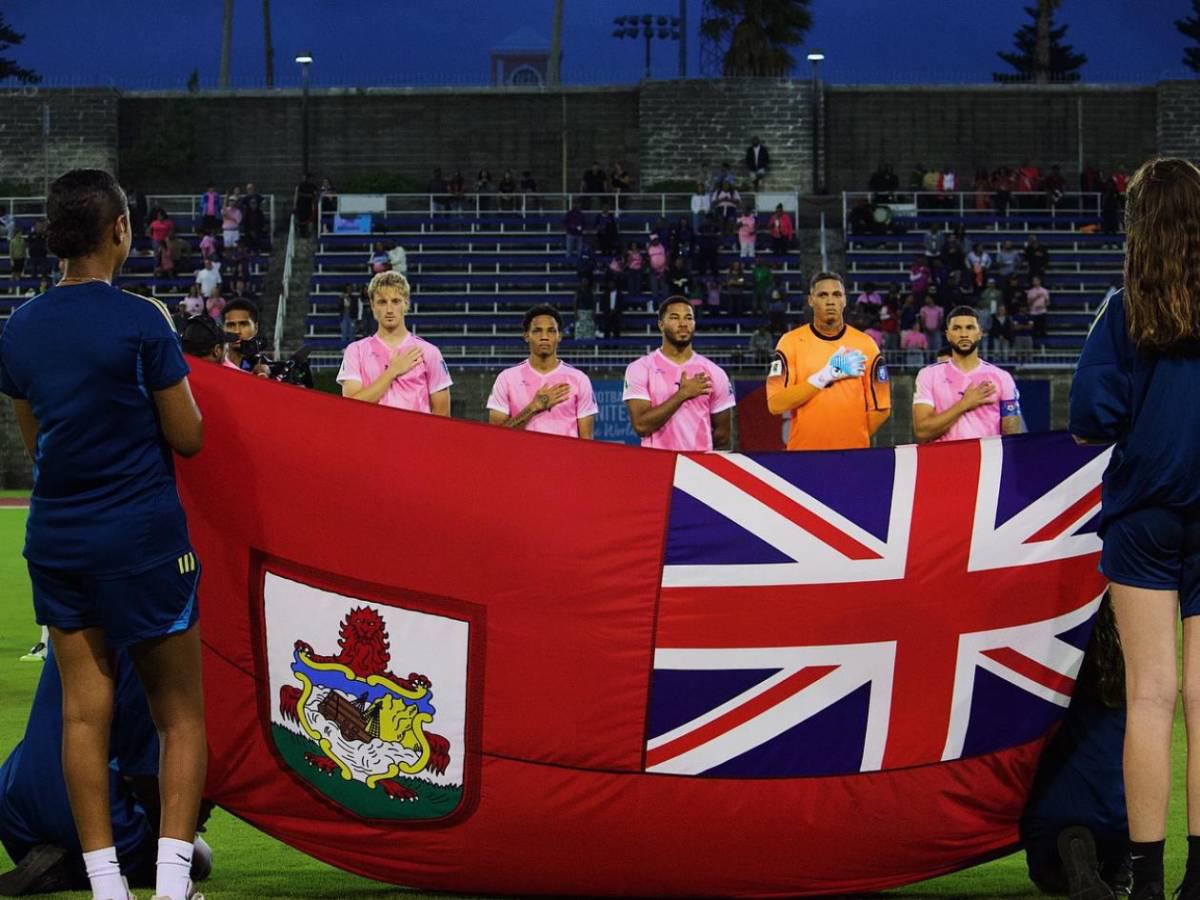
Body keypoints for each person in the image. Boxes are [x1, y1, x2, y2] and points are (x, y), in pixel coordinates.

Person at [0, 169, 207, 900]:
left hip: (58, 541)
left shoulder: (18, 327)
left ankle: (107, 886)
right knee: (178, 716)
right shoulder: (142, 319)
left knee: (81, 717)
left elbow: (38, 442)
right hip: (143, 541)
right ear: (120, 229)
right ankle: (176, 884)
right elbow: (188, 437)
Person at [1069, 157, 1200, 900]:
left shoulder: (1123, 312)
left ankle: (1147, 882)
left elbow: (1091, 424)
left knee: (1150, 696)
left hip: (1144, 513)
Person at [0, 645, 213, 896]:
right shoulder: (154, 637)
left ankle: (81, 866)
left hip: (13, 811)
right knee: (199, 857)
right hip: (101, 823)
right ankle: (99, 872)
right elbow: (144, 775)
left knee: (72, 725)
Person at [1020, 594, 1131, 900]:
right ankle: (1115, 859)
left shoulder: (1031, 682)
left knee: (1048, 875)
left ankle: (1071, 840)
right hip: (1115, 818)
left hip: (1046, 825)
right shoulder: (1121, 678)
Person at [766, 271, 891, 451]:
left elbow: (882, 407)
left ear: (845, 300)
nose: (830, 301)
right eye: (823, 295)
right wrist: (823, 377)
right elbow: (776, 404)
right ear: (811, 300)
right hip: (803, 455)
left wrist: (850, 438)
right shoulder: (790, 342)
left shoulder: (866, 345)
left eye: (837, 294)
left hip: (853, 453)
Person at [622, 296, 736, 452]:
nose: (683, 324)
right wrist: (682, 395)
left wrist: (695, 452)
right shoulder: (640, 368)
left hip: (699, 469)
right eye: (675, 318)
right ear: (661, 325)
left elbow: (723, 435)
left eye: (688, 318)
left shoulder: (715, 372)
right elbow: (641, 426)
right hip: (656, 467)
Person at [337, 270, 452, 414]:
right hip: (370, 436)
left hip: (415, 436)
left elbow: (443, 416)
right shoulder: (355, 351)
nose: (389, 309)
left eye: (395, 301)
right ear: (373, 306)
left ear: (406, 304)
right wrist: (392, 371)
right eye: (382, 302)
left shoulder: (429, 352)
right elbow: (350, 407)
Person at [911, 306, 1022, 443]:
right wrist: (965, 404)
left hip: (986, 463)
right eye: (957, 328)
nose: (964, 334)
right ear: (948, 335)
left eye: (970, 328)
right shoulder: (928, 375)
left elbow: (1012, 438)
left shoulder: (1002, 378)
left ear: (979, 333)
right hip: (944, 461)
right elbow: (922, 432)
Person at [486, 305, 596, 438]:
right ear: (526, 335)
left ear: (559, 336)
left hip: (564, 458)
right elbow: (495, 437)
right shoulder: (506, 379)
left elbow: (586, 441)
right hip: (521, 458)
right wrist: (533, 408)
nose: (544, 336)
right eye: (537, 331)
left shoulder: (579, 380)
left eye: (551, 331)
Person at [221, 299, 270, 376]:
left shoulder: (268, 370)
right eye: (231, 325)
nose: (237, 331)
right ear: (223, 329)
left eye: (243, 324)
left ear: (256, 328)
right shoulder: (214, 366)